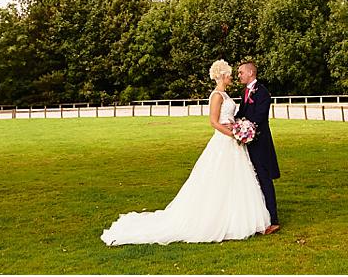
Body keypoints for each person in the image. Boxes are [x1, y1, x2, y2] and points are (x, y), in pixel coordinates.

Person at [100, 59, 271, 245]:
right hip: (224, 141)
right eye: (231, 73)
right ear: (222, 75)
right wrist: (233, 134)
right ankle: (218, 218)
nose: (233, 77)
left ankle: (238, 216)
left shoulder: (226, 95)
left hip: (234, 143)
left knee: (237, 180)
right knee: (219, 179)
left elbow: (232, 116)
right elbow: (214, 122)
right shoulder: (216, 96)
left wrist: (239, 128)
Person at [235, 61, 281, 234]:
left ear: (250, 73)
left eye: (240, 73)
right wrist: (233, 123)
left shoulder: (262, 92)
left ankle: (274, 219)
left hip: (260, 142)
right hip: (248, 141)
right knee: (253, 179)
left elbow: (259, 117)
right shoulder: (245, 92)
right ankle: (261, 216)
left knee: (264, 178)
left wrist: (244, 128)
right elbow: (242, 113)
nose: (239, 75)